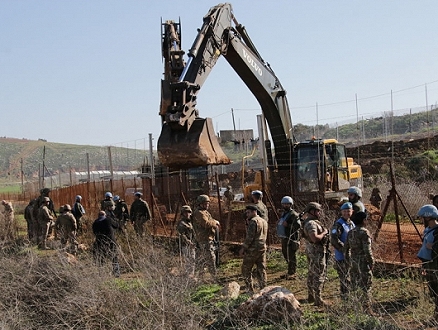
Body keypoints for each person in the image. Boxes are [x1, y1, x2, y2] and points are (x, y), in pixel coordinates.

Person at [345, 211, 375, 314]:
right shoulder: (364, 232)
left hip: (353, 261)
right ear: (363, 220)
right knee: (366, 285)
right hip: (363, 262)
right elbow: (367, 249)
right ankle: (367, 309)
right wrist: (371, 261)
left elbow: (346, 248)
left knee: (355, 284)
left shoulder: (350, 232)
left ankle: (355, 306)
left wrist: (348, 260)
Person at [301, 202, 329, 307]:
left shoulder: (311, 222)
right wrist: (324, 233)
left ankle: (311, 296)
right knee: (318, 274)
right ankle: (318, 299)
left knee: (312, 273)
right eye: (317, 211)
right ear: (312, 211)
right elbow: (314, 238)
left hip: (313, 251)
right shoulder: (311, 224)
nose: (319, 212)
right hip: (316, 252)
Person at [239, 204, 268, 294]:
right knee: (261, 269)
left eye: (248, 212)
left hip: (253, 249)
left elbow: (250, 237)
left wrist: (243, 248)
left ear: (254, 212)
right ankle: (264, 289)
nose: (247, 214)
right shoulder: (263, 221)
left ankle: (249, 290)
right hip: (262, 247)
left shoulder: (253, 222)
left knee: (246, 269)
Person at [416, 204, 438, 321]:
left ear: (428, 217)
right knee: (433, 291)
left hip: (435, 266)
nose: (422, 220)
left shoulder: (437, 232)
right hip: (428, 265)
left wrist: (434, 247)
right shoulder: (428, 230)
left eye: (423, 217)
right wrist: (424, 266)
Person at [330, 201, 355, 300]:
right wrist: (344, 250)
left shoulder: (351, 223)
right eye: (344, 211)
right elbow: (334, 240)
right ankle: (345, 298)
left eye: (348, 211)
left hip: (351, 256)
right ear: (341, 212)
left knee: (350, 276)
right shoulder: (338, 224)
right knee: (344, 277)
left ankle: (349, 296)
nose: (346, 213)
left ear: (352, 212)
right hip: (342, 257)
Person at [192, 194, 220, 277]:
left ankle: (200, 275)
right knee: (210, 258)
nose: (207, 205)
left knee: (205, 257)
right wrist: (215, 222)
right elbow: (206, 223)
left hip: (208, 238)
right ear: (200, 204)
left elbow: (210, 220)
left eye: (207, 203)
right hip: (204, 239)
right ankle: (214, 276)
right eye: (205, 203)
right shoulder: (199, 213)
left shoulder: (204, 212)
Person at [277, 196, 301, 279]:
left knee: (291, 255)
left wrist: (288, 225)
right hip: (285, 237)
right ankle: (290, 271)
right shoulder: (285, 213)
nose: (285, 206)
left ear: (290, 205)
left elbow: (298, 226)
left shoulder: (293, 214)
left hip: (291, 238)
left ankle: (292, 273)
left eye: (287, 204)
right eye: (284, 204)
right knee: (286, 254)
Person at [92, 210, 121, 277]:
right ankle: (116, 273)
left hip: (99, 243)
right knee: (114, 257)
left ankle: (102, 274)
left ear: (98, 216)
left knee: (101, 259)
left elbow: (94, 232)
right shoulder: (108, 220)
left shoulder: (95, 223)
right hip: (111, 242)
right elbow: (116, 225)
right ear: (105, 215)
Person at [176, 205, 196, 277]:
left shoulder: (190, 222)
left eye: (188, 212)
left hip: (192, 243)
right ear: (182, 213)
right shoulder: (181, 223)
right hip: (186, 244)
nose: (187, 214)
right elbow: (182, 235)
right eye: (185, 212)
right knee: (189, 259)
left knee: (193, 259)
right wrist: (189, 242)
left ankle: (191, 274)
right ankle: (189, 275)